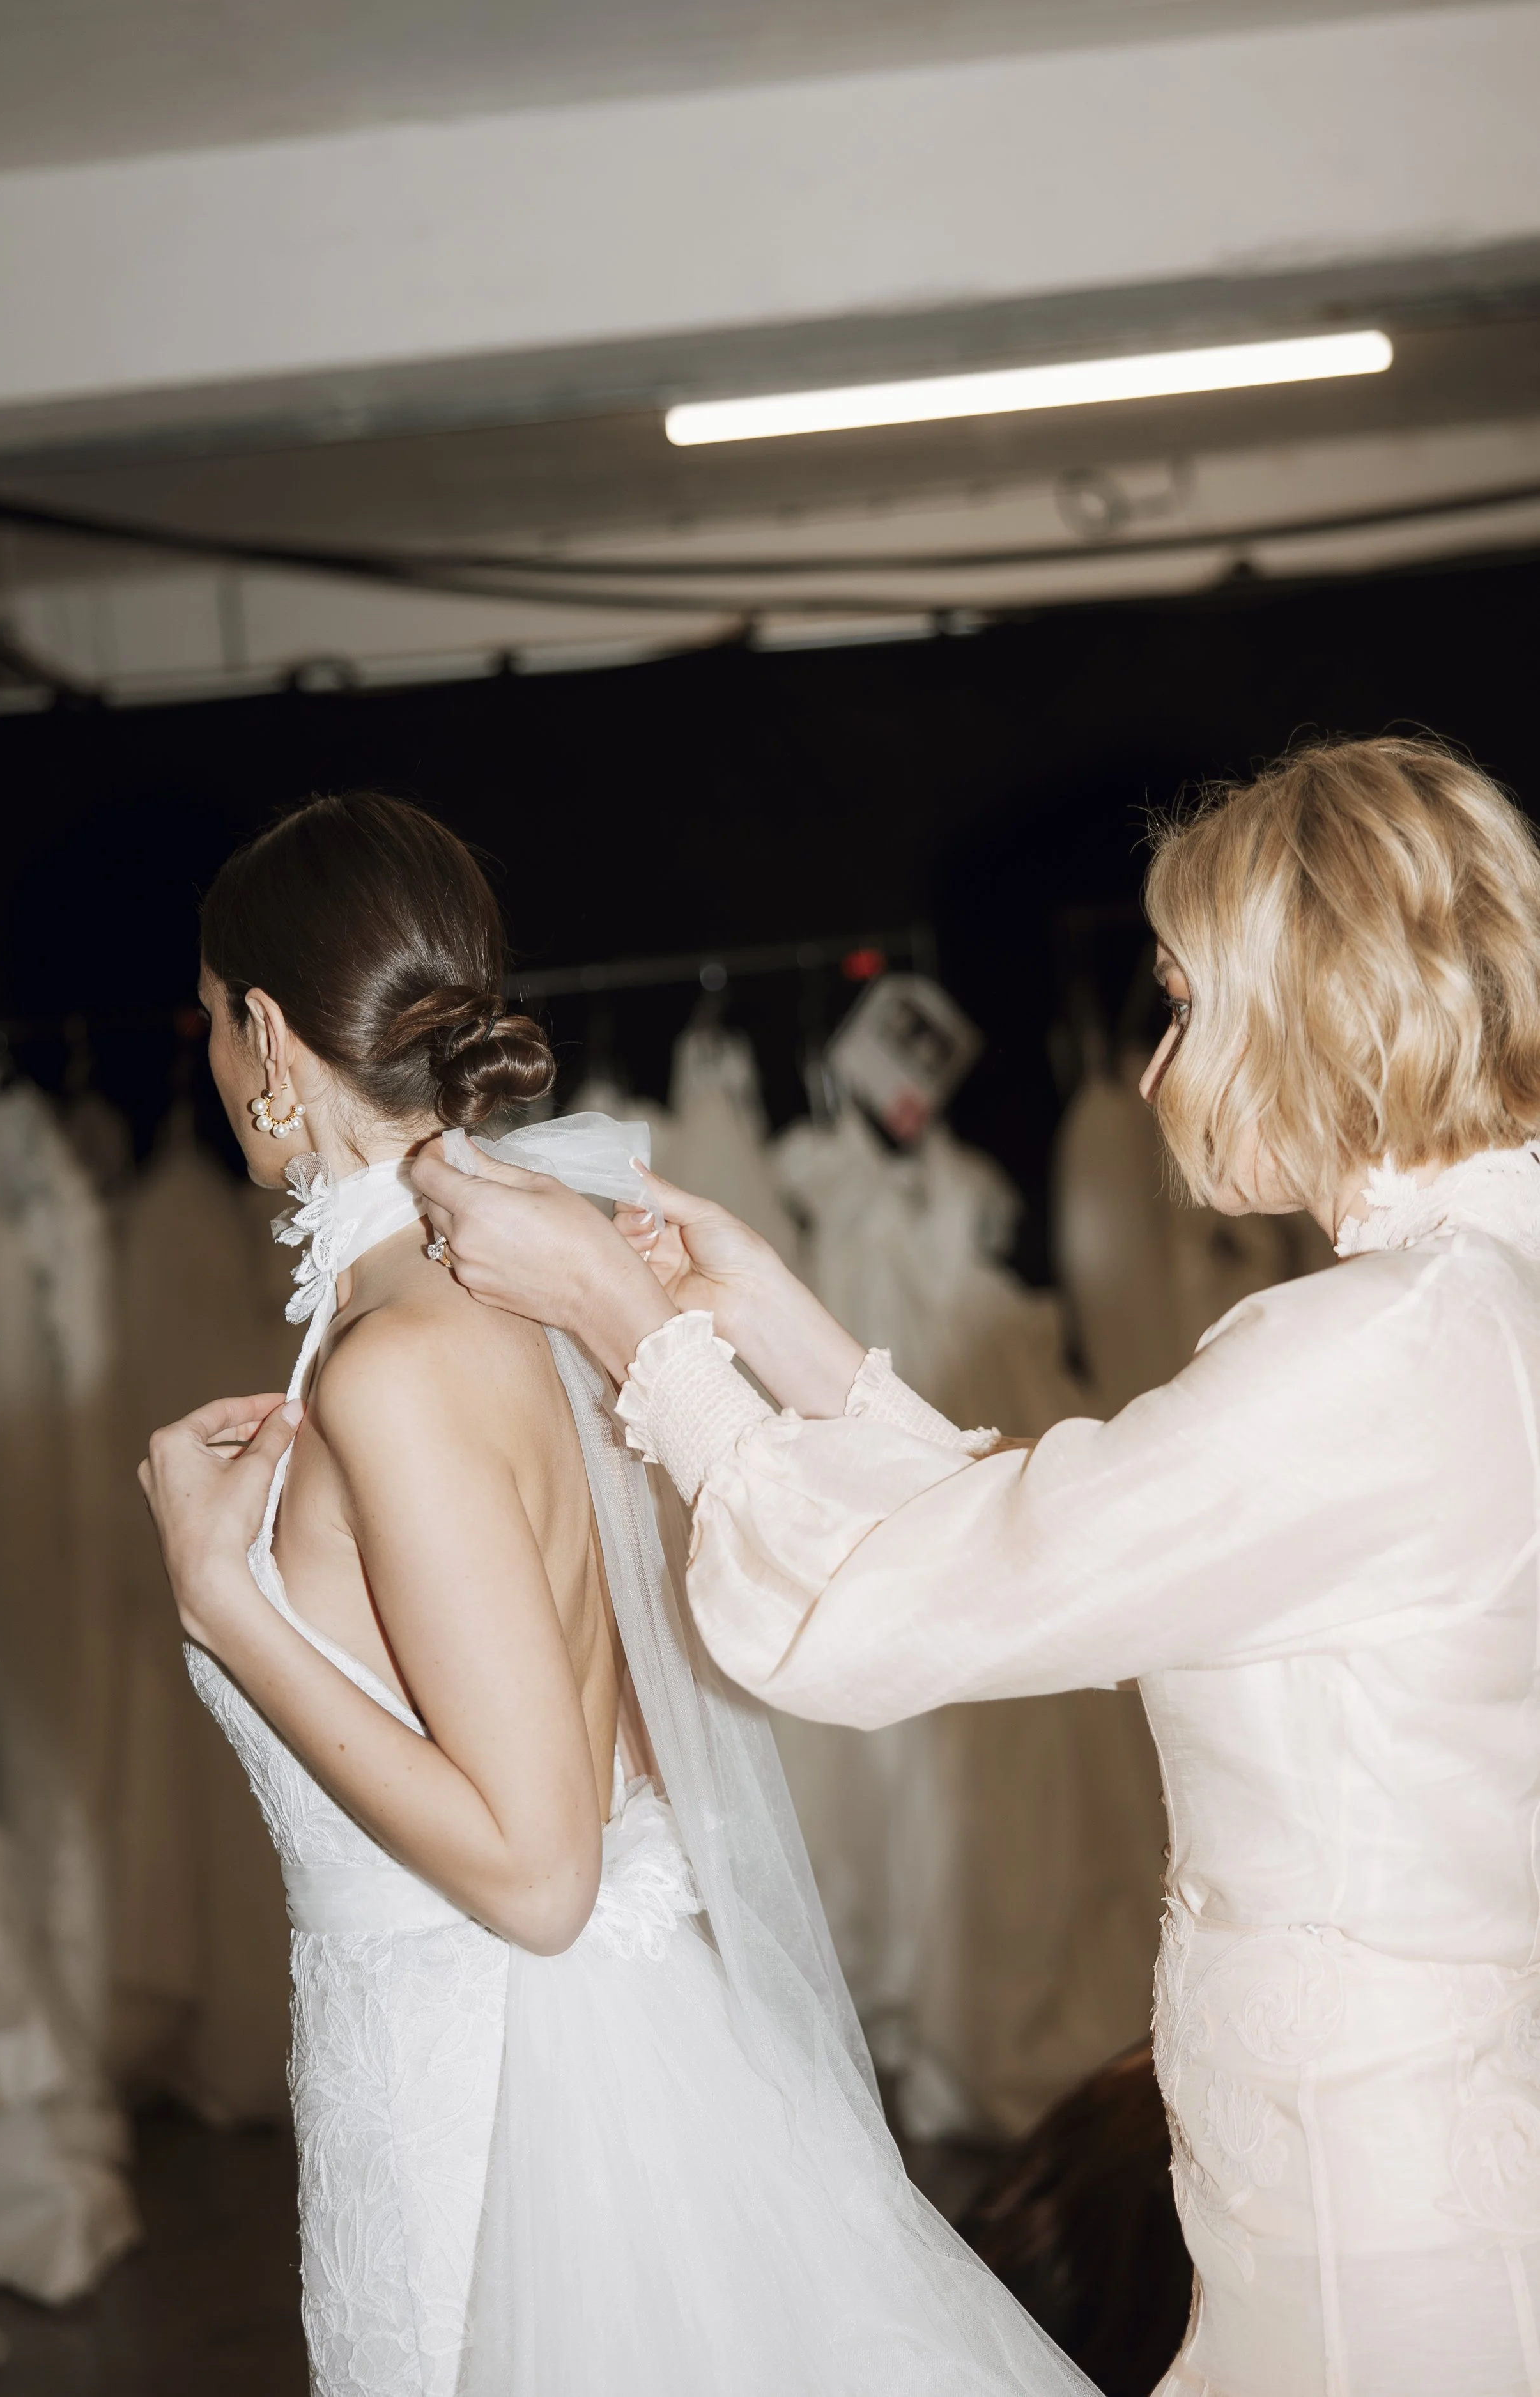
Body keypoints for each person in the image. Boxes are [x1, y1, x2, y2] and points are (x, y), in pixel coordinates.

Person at [410, 736, 1540, 2397]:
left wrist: (625, 1326)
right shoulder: (1468, 1301)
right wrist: (766, 1323)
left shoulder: (1368, 1350)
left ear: (1316, 1007)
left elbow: (870, 1625)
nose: (1156, 1073)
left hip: (1357, 2200)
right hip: (1375, 2144)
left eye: (1183, 1007)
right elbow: (1081, 1540)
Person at [138, 791, 1095, 2397]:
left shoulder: (401, 1363)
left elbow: (536, 1876)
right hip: (522, 2073)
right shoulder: (483, 1298)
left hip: (510, 2110)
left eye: (214, 1022)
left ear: (266, 1038)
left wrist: (218, 1595)